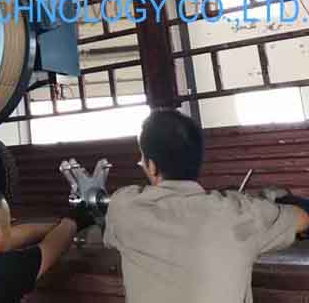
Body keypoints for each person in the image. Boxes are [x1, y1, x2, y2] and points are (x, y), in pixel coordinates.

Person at [104, 109, 309, 303]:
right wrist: (268, 201)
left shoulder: (124, 208)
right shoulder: (239, 213)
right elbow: (303, 217)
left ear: (151, 165)